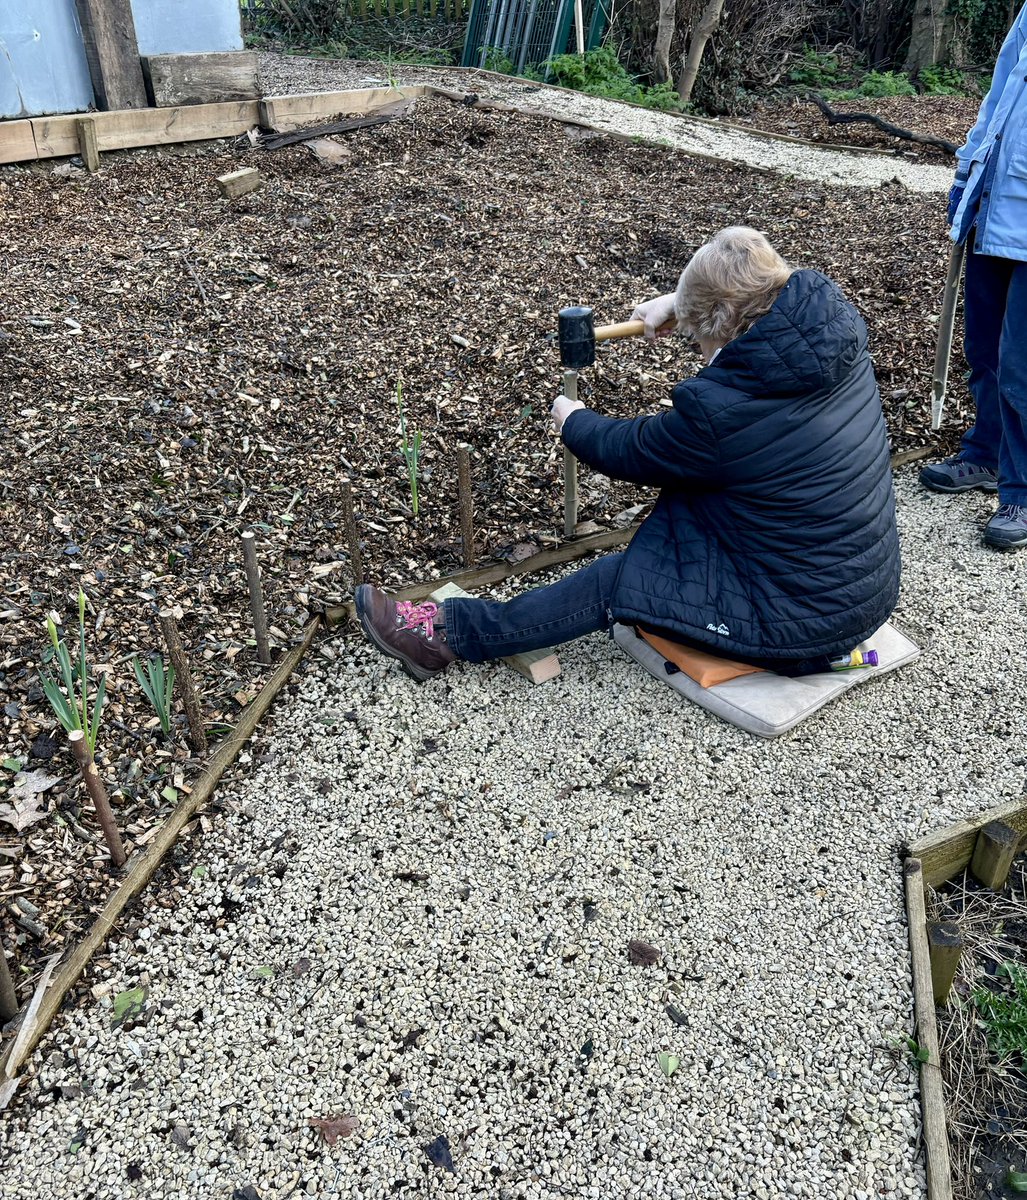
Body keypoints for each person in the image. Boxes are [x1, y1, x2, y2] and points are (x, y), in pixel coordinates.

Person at [355, 227, 900, 682]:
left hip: (801, 624)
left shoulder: (721, 415)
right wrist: (680, 306)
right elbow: (754, 296)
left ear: (722, 324)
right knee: (697, 505)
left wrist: (573, 420)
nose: (698, 353)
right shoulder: (830, 334)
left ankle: (448, 636)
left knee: (626, 578)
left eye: (699, 341)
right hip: (859, 590)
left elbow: (634, 449)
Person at [918, 2, 1027, 550]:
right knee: (982, 350)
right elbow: (1003, 90)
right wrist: (968, 167)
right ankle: (984, 454)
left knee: (1020, 366)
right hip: (997, 204)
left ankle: (1022, 491)